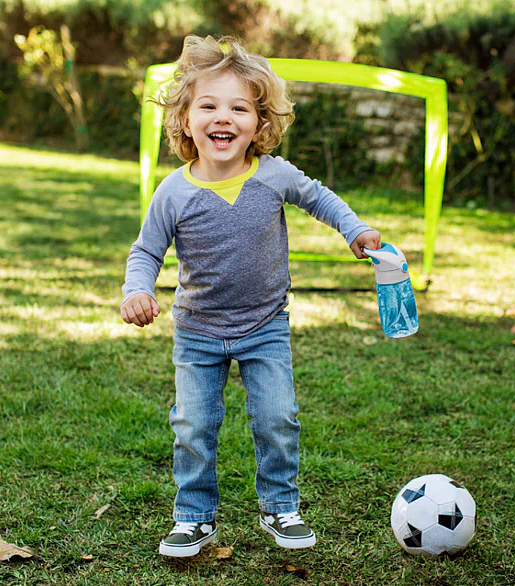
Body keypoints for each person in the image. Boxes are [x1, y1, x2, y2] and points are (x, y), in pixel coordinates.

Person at [121, 34, 381, 557]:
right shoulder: (174, 191)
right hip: (197, 331)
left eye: (240, 107)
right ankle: (194, 518)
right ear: (186, 120)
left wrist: (354, 230)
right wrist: (136, 290)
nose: (224, 117)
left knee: (277, 417)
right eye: (209, 105)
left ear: (259, 123)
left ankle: (280, 507)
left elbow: (320, 198)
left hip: (265, 326)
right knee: (194, 426)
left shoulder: (273, 175)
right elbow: (146, 251)